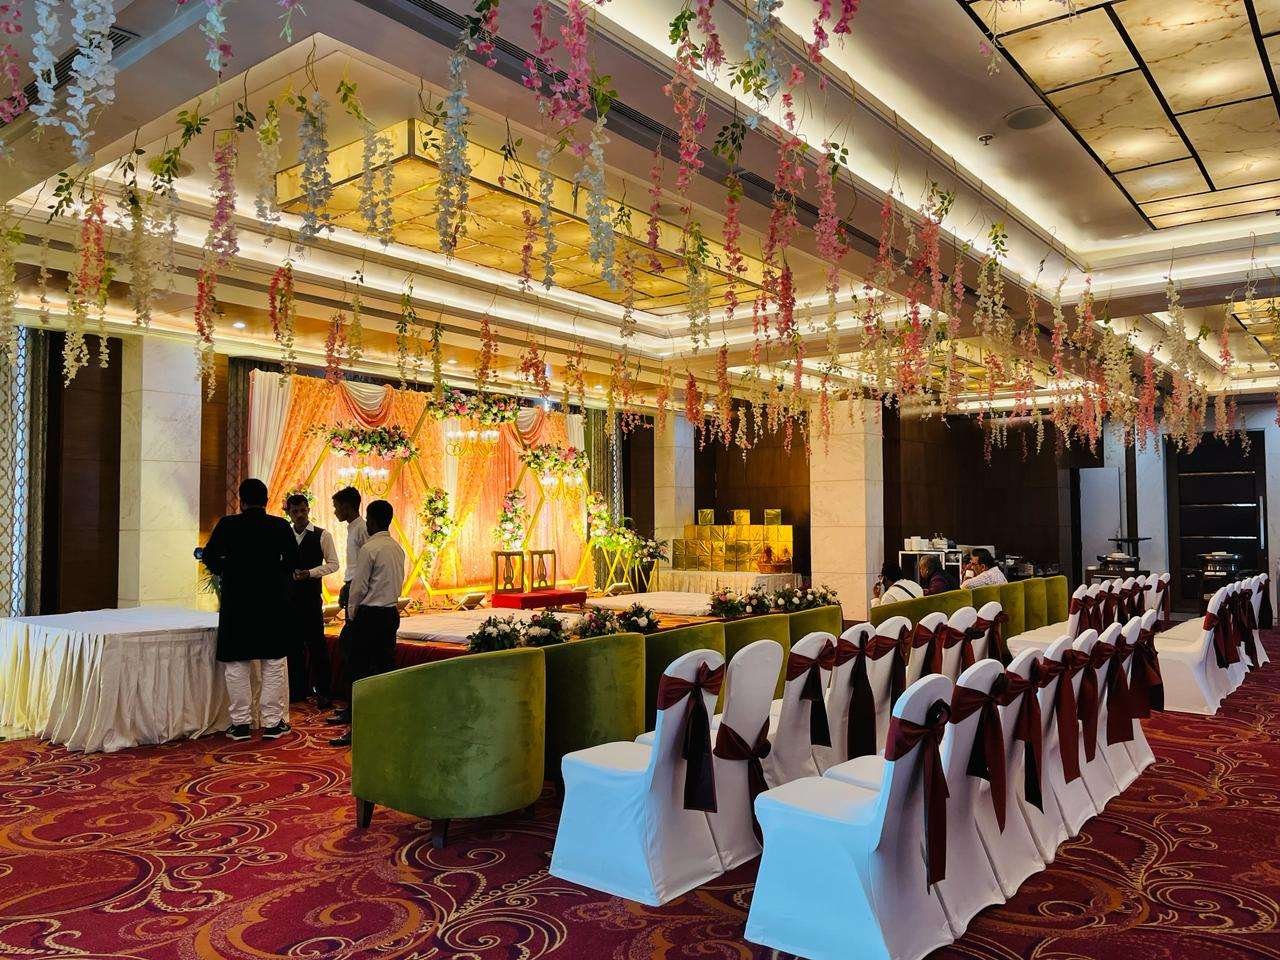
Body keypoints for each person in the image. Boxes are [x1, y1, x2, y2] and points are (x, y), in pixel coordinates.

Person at [201, 478, 299, 742]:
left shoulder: (228, 525)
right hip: (272, 603)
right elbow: (293, 560)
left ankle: (240, 724)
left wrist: (229, 570)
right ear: (266, 501)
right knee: (273, 663)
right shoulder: (279, 525)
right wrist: (275, 574)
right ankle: (272, 723)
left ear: (241, 501)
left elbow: (209, 557)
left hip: (238, 603)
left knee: (237, 664)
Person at [329, 499, 406, 748]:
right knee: (384, 668)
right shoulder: (397, 548)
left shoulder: (369, 548)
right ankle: (385, 723)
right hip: (390, 614)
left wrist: (351, 616)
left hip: (368, 616)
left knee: (358, 671)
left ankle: (358, 727)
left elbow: (359, 588)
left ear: (370, 521)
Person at [284, 493, 339, 705]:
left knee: (317, 646)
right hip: (289, 600)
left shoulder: (322, 535)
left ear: (308, 510)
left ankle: (324, 691)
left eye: (303, 510)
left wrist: (311, 573)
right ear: (288, 513)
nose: (300, 515)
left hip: (311, 599)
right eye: (295, 511)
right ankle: (297, 690)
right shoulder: (285, 535)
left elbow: (334, 564)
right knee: (293, 647)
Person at [325, 486, 368, 729]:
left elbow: (364, 565)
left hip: (357, 591)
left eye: (337, 507)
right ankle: (351, 706)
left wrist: (352, 590)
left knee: (351, 650)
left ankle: (354, 708)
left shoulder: (361, 529)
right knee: (347, 648)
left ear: (347, 506)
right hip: (351, 587)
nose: (335, 512)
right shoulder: (353, 528)